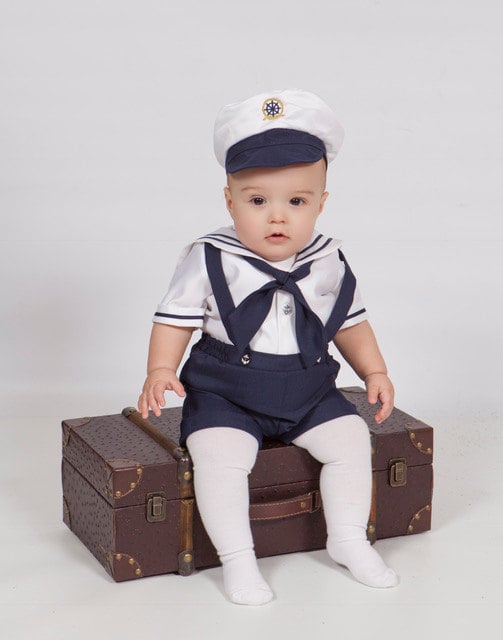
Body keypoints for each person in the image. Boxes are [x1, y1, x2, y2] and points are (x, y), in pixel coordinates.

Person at [138, 89, 398, 605]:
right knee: (219, 455)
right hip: (226, 393)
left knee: (350, 441)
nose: (276, 218)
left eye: (296, 202)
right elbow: (173, 320)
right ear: (229, 200)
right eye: (257, 201)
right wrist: (160, 368)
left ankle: (347, 539)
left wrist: (375, 372)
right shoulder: (211, 257)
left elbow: (350, 323)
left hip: (308, 389)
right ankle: (238, 559)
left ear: (321, 203)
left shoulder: (329, 258)